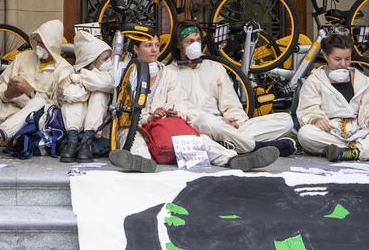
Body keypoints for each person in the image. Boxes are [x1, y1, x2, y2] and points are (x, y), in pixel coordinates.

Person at [109, 27, 280, 173]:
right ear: (136, 50)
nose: (154, 50)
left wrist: (172, 113)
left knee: (197, 139)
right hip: (137, 127)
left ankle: (233, 159)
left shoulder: (167, 74)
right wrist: (149, 117)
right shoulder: (126, 74)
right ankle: (142, 163)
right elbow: (125, 112)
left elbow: (178, 103)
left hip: (164, 126)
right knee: (130, 138)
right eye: (148, 46)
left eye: (156, 45)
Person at [166, 20, 296, 157]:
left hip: (225, 126)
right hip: (198, 125)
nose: (195, 45)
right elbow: (177, 108)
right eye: (189, 41)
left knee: (285, 120)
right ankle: (255, 146)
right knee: (207, 122)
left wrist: (235, 121)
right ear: (178, 44)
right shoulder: (169, 73)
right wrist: (218, 122)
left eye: (198, 40)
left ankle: (231, 143)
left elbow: (231, 103)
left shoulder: (215, 67)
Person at [0, 19, 72, 150]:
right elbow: (0, 86)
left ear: (52, 45)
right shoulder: (23, 57)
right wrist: (8, 93)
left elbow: (56, 110)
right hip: (0, 113)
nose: (38, 46)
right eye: (37, 41)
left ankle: (0, 135)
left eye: (43, 43)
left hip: (26, 125)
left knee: (39, 101)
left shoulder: (64, 69)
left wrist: (30, 92)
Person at [296, 34, 369, 162]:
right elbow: (307, 109)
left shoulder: (363, 81)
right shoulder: (314, 80)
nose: (343, 64)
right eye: (337, 59)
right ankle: (357, 150)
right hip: (331, 131)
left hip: (359, 130)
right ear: (325, 56)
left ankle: (349, 151)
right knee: (305, 134)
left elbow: (367, 108)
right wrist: (316, 119)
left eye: (347, 59)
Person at [58, 31, 115, 162]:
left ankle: (86, 143)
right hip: (72, 127)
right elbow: (70, 94)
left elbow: (110, 83)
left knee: (99, 93)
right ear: (91, 61)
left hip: (97, 134)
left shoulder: (110, 72)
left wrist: (76, 79)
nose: (109, 62)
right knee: (73, 101)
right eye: (105, 59)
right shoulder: (67, 70)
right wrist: (91, 85)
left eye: (109, 58)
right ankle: (72, 143)